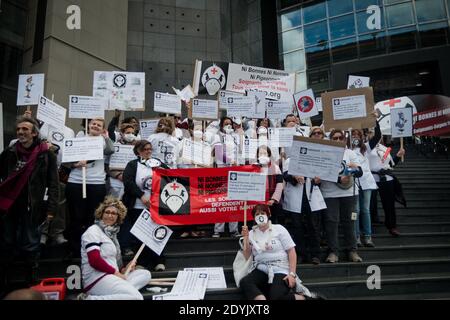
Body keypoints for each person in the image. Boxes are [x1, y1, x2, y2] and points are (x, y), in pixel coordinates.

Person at [0, 116, 59, 285]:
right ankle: (5, 280)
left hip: (32, 206)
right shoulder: (10, 151)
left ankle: (29, 280)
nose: (21, 132)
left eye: (25, 129)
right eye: (18, 129)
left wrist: (51, 209)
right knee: (7, 241)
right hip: (8, 205)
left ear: (34, 133)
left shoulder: (46, 154)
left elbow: (53, 184)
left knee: (31, 242)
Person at [239, 205, 319, 300]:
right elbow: (247, 255)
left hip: (280, 268)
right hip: (261, 268)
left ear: (268, 215)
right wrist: (246, 238)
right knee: (245, 282)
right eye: (257, 214)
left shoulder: (279, 229)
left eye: (262, 213)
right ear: (254, 217)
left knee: (276, 297)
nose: (260, 216)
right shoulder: (251, 233)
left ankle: (304, 298)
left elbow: (291, 251)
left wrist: (292, 274)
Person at [78, 196, 151, 300]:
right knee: (136, 297)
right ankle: (90, 299)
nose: (110, 215)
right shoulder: (93, 231)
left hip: (112, 276)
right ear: (101, 214)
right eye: (107, 212)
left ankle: (121, 293)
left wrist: (126, 269)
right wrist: (116, 273)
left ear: (118, 217)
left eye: (113, 213)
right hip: (97, 279)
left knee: (145, 274)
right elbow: (94, 260)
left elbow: (116, 266)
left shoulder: (112, 236)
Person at [64, 118, 115, 258]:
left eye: (99, 125)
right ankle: (74, 249)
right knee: (76, 216)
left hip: (96, 183)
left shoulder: (103, 142)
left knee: (92, 217)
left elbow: (111, 150)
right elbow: (66, 160)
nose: (95, 126)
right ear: (88, 125)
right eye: (93, 124)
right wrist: (76, 164)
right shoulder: (78, 139)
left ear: (103, 129)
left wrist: (106, 136)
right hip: (76, 182)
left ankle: (90, 249)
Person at [121, 140, 169, 271]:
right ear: (138, 151)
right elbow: (128, 182)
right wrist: (141, 195)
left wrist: (162, 170)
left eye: (149, 149)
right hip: (137, 205)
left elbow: (169, 176)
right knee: (140, 235)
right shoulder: (132, 165)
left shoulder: (157, 163)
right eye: (144, 149)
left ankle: (159, 260)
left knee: (158, 232)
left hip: (156, 206)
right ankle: (142, 262)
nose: (148, 151)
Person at [320, 129, 364, 263]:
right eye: (335, 138)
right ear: (330, 140)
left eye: (340, 138)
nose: (338, 140)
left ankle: (352, 251)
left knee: (350, 221)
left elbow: (359, 172)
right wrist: (338, 179)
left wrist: (353, 168)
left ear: (344, 140)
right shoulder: (324, 153)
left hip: (349, 193)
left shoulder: (350, 153)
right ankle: (333, 252)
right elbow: (321, 172)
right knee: (331, 222)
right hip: (330, 193)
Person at [351, 121, 381, 247]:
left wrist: (376, 121)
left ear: (362, 136)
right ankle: (356, 236)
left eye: (358, 134)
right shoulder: (347, 149)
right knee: (356, 210)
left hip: (367, 182)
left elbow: (378, 136)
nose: (356, 137)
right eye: (353, 134)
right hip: (354, 182)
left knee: (365, 210)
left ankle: (367, 237)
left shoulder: (366, 147)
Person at [368, 136, 406, 237]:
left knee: (389, 204)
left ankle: (392, 226)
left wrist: (398, 156)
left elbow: (389, 165)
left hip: (386, 178)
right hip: (371, 178)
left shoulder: (385, 148)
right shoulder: (366, 147)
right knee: (370, 204)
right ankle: (369, 225)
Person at [108, 123, 139, 199]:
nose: (131, 135)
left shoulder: (138, 148)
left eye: (132, 133)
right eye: (128, 133)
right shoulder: (115, 146)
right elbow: (108, 165)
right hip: (116, 181)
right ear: (121, 134)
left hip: (131, 181)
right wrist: (118, 175)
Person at [256, 146, 284, 225]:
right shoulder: (254, 167)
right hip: (258, 201)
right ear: (257, 155)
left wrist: (273, 199)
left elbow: (279, 184)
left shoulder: (275, 167)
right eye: (260, 153)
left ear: (269, 154)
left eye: (265, 153)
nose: (263, 155)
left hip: (272, 201)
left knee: (273, 222)